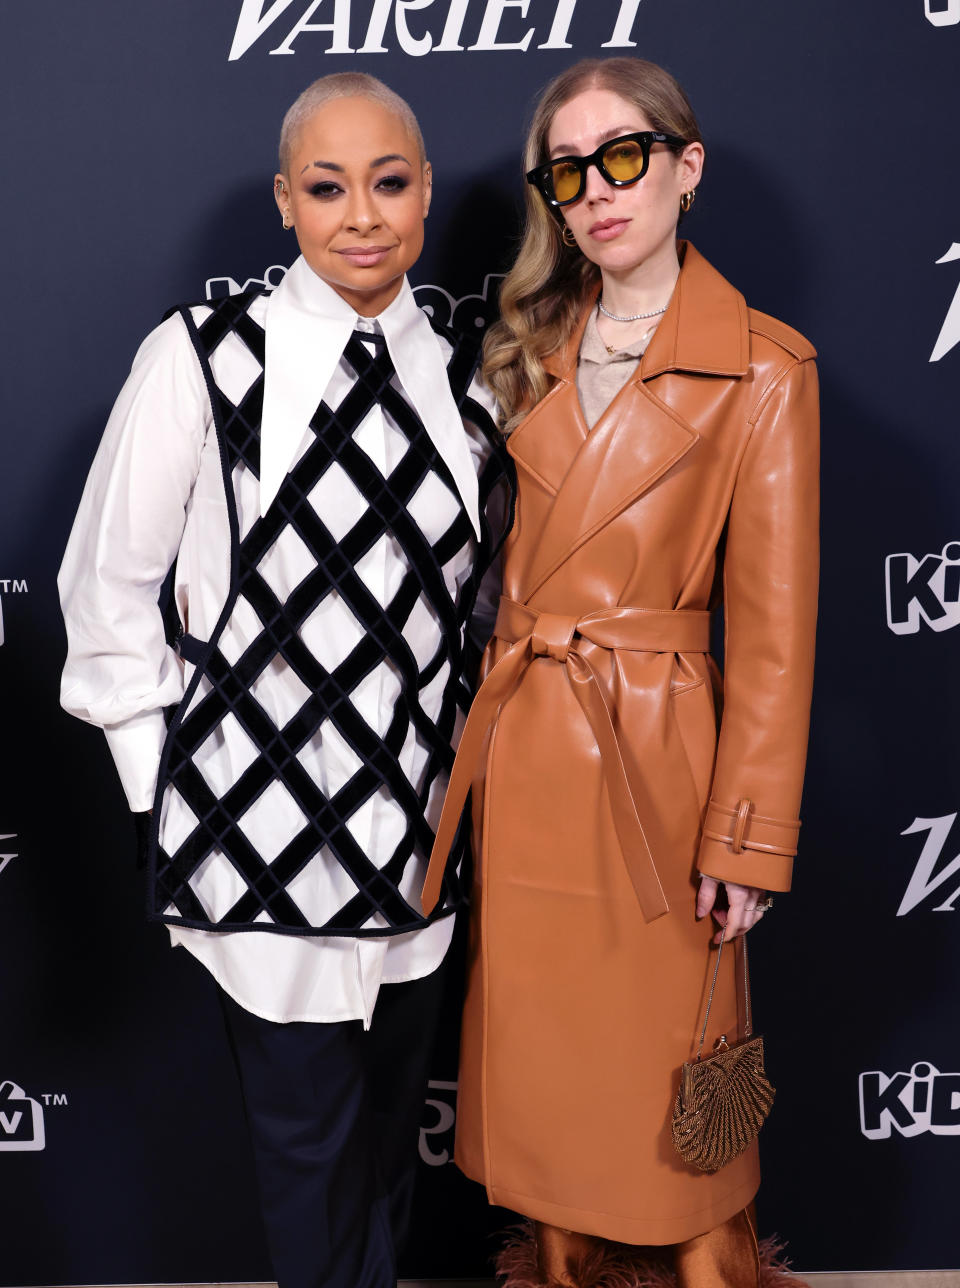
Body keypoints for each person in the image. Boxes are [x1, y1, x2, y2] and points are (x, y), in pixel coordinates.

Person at [58, 72, 512, 1288]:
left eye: (390, 181)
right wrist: (181, 798)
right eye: (326, 186)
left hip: (422, 845)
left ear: (423, 193)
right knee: (304, 1147)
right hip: (261, 842)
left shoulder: (470, 380)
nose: (360, 214)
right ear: (284, 201)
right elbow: (106, 595)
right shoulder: (203, 359)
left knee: (386, 1147)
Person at [422, 56, 818, 1288]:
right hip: (533, 753)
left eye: (625, 158)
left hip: (661, 772)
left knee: (666, 1088)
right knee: (548, 1080)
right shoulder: (524, 351)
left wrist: (745, 840)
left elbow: (774, 631)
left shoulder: (765, 368)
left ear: (686, 168)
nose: (597, 191)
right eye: (568, 170)